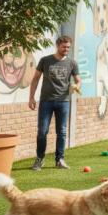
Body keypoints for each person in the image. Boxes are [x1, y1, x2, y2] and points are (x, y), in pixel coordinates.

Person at [28, 35, 81, 171]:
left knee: (62, 132)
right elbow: (35, 79)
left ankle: (60, 160)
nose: (66, 49)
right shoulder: (45, 60)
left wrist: (76, 86)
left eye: (68, 47)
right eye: (64, 46)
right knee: (42, 131)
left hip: (63, 102)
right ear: (57, 45)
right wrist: (31, 98)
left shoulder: (72, 63)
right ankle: (40, 159)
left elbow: (78, 80)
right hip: (46, 101)